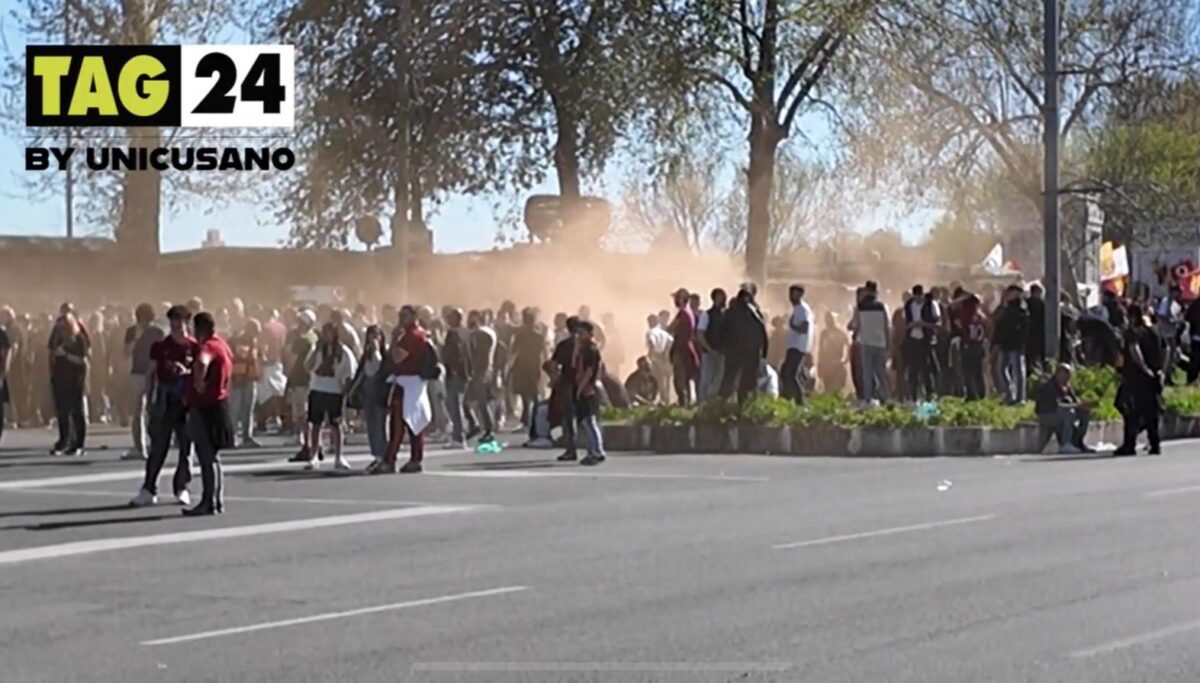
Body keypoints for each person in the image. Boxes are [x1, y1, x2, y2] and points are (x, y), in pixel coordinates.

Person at [130, 305, 196, 508]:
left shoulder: (195, 347)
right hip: (165, 401)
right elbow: (151, 373)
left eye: (181, 323)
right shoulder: (160, 347)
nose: (177, 328)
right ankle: (149, 489)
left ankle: (181, 487)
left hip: (187, 402)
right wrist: (150, 401)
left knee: (186, 448)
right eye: (174, 324)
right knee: (159, 447)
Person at [181, 312, 234, 516]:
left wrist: (198, 382)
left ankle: (208, 501)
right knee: (214, 457)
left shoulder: (208, 347)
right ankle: (216, 499)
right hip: (220, 403)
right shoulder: (222, 344)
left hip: (205, 406)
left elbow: (202, 361)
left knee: (206, 456)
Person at [374, 306, 431, 475]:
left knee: (397, 424)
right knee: (415, 422)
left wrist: (393, 341)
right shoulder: (421, 333)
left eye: (404, 315)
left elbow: (398, 357)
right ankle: (415, 458)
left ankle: (390, 460)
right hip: (415, 383)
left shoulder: (410, 336)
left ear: (413, 316)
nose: (401, 318)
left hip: (406, 382)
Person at [304, 322, 357, 470]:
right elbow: (307, 366)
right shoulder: (317, 349)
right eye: (324, 332)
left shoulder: (343, 351)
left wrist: (345, 391)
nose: (326, 335)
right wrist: (316, 350)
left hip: (335, 390)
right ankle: (314, 455)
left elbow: (350, 372)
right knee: (315, 424)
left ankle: (339, 457)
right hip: (317, 388)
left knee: (336, 425)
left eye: (329, 332)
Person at [1115, 304, 1164, 456]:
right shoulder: (1155, 332)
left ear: (1132, 317)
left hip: (1136, 377)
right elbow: (1167, 349)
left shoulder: (1133, 333)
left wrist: (1143, 367)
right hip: (1154, 377)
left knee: (1130, 410)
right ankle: (1155, 444)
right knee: (1151, 411)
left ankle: (1130, 444)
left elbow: (1134, 349)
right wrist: (1162, 369)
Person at [120, 303, 164, 460]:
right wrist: (136, 339)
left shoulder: (158, 332)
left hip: (152, 374)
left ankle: (154, 445)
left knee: (152, 411)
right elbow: (126, 353)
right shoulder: (131, 332)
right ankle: (139, 447)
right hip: (137, 373)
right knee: (137, 412)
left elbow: (162, 354)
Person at [48, 310, 90, 455]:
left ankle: (78, 443)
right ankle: (64, 440)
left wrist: (65, 354)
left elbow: (82, 360)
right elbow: (51, 353)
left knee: (76, 411)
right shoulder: (57, 339)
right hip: (59, 378)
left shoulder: (79, 339)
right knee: (62, 412)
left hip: (75, 379)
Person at [720, 285, 768, 403]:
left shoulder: (731, 312)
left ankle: (724, 401)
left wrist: (724, 347)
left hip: (736, 350)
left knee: (731, 376)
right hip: (750, 351)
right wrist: (765, 350)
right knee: (746, 379)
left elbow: (723, 331)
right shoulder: (754, 312)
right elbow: (763, 331)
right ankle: (742, 402)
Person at [1035, 363, 1094, 454]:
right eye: (1066, 373)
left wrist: (1084, 405)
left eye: (1069, 374)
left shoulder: (1067, 387)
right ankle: (1065, 444)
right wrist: (1074, 406)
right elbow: (1058, 406)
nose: (1068, 377)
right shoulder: (1049, 387)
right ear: (1059, 373)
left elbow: (1075, 401)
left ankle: (1078, 443)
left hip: (1060, 415)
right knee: (1068, 414)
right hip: (1047, 415)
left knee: (1084, 413)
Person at [286, 309, 319, 461]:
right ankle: (315, 445)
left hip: (300, 379)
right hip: (311, 379)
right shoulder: (314, 337)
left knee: (302, 415)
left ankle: (308, 446)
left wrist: (289, 378)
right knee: (308, 414)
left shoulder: (301, 341)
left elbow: (291, 361)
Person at [850, 283, 890, 404]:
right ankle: (886, 397)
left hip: (866, 343)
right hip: (880, 343)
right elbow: (886, 326)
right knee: (881, 372)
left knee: (867, 373)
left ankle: (868, 399)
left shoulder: (860, 307)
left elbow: (855, 325)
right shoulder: (882, 306)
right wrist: (888, 343)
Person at [573, 321, 606, 466]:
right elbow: (575, 365)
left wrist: (580, 389)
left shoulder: (590, 350)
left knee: (590, 421)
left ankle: (596, 451)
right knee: (588, 422)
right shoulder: (583, 349)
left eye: (581, 332)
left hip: (588, 389)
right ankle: (594, 450)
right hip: (585, 388)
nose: (578, 335)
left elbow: (588, 371)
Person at [548, 316, 580, 461]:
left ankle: (572, 448)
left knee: (569, 416)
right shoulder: (586, 345)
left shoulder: (564, 345)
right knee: (587, 417)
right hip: (583, 383)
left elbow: (553, 365)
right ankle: (594, 448)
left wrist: (554, 379)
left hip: (568, 382)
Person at [441, 307, 474, 449]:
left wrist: (452, 369)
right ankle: (461, 434)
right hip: (465, 373)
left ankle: (458, 437)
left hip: (455, 374)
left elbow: (453, 354)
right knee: (458, 404)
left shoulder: (452, 334)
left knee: (455, 405)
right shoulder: (467, 333)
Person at [511, 308, 547, 431]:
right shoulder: (539, 336)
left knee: (526, 395)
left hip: (522, 366)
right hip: (534, 367)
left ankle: (528, 421)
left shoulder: (520, 334)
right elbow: (544, 353)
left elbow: (514, 352)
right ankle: (533, 420)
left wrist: (508, 366)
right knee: (533, 393)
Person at [229, 319, 263, 448]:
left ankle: (247, 437)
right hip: (238, 378)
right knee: (235, 409)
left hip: (250, 379)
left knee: (248, 410)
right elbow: (239, 357)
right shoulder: (239, 340)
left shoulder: (254, 342)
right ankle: (232, 437)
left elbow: (257, 359)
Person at [466, 309, 499, 443]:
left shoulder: (481, 334)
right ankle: (477, 426)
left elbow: (481, 355)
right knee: (474, 402)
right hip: (486, 370)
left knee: (480, 402)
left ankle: (487, 429)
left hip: (481, 371)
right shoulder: (488, 331)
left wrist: (479, 372)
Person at [993, 285, 1029, 405]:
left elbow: (1025, 326)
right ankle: (1008, 394)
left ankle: (1019, 398)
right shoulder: (1005, 308)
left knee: (1018, 371)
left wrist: (1023, 342)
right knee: (1001, 369)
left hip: (1016, 344)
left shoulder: (1022, 308)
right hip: (1005, 343)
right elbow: (996, 319)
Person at [781, 284, 813, 404]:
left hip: (798, 347)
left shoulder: (802, 309)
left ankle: (799, 401)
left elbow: (805, 328)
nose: (790, 297)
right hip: (794, 346)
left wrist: (792, 326)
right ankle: (789, 398)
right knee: (786, 372)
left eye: (793, 294)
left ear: (800, 295)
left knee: (789, 373)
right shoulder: (797, 308)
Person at [668, 289, 700, 406]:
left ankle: (684, 402)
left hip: (681, 349)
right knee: (685, 377)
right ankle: (687, 402)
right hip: (688, 348)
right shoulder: (690, 312)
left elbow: (671, 328)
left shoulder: (683, 313)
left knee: (680, 378)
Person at [697, 288, 727, 401]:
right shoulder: (707, 315)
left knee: (719, 380)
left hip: (723, 352)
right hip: (709, 353)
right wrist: (709, 349)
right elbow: (700, 334)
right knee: (706, 379)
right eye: (719, 297)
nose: (722, 299)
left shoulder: (727, 314)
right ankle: (703, 404)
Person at [959, 295, 989, 401]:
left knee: (967, 371)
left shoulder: (967, 314)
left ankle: (971, 394)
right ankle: (981, 393)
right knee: (978, 371)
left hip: (969, 345)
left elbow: (964, 328)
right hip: (979, 345)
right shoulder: (981, 315)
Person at [817, 310, 848, 395]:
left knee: (837, 389)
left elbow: (847, 348)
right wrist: (820, 364)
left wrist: (844, 360)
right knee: (828, 388)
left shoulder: (841, 333)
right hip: (826, 364)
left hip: (837, 365)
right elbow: (820, 350)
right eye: (827, 319)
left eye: (830, 319)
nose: (828, 321)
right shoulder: (824, 333)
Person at [644, 313, 673, 404]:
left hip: (657, 358)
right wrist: (667, 353)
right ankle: (667, 400)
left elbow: (652, 343)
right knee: (667, 381)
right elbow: (671, 342)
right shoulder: (664, 333)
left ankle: (662, 400)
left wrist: (650, 356)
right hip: (666, 358)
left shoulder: (651, 332)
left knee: (658, 380)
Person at [1026, 284, 1047, 372]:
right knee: (1042, 357)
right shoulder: (1043, 304)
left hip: (1028, 334)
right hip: (1040, 333)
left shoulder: (1026, 303)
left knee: (1029, 358)